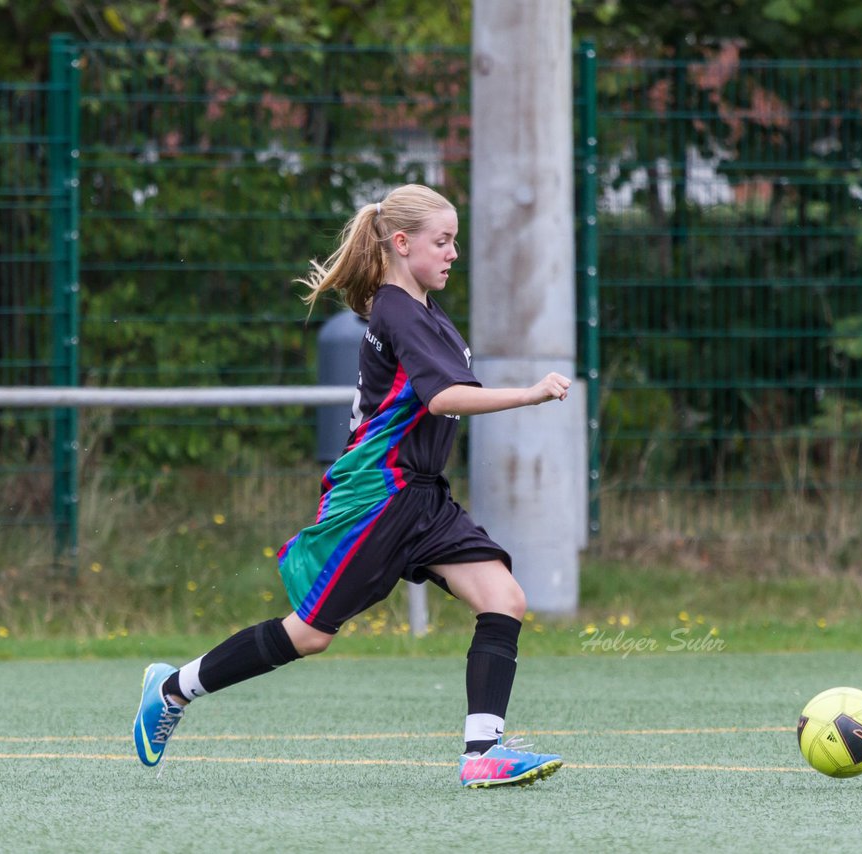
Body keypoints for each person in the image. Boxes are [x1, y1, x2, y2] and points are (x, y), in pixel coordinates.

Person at [133, 184, 572, 788]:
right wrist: (527, 392)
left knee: (504, 599)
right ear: (401, 243)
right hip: (379, 497)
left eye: (454, 242)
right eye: (441, 242)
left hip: (421, 495)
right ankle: (173, 689)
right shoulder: (395, 307)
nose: (452, 253)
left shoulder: (422, 310)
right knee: (309, 634)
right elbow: (443, 397)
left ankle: (482, 754)